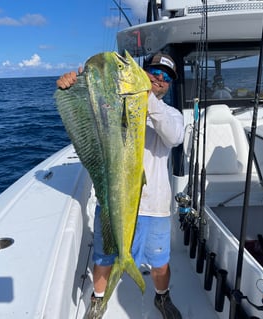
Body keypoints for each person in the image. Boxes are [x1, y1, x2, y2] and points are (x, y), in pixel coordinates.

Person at [57, 52, 184, 319]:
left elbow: (174, 137)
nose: (158, 80)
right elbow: (89, 116)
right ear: (144, 71)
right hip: (114, 198)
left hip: (154, 207)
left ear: (169, 85)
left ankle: (162, 297)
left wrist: (143, 96)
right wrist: (75, 87)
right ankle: (98, 299)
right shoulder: (112, 107)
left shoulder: (170, 114)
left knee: (159, 264)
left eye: (165, 78)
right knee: (104, 259)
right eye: (153, 72)